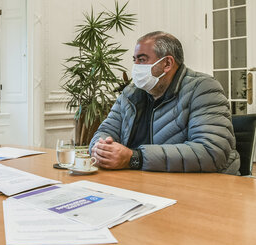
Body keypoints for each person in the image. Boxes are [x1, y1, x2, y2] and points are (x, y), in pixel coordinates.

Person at [89, 31, 240, 174]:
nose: (136, 67)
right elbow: (106, 130)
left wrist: (134, 158)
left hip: (202, 186)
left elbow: (211, 151)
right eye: (135, 60)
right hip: (142, 180)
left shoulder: (203, 88)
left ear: (167, 63)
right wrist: (100, 148)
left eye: (142, 60)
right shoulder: (130, 93)